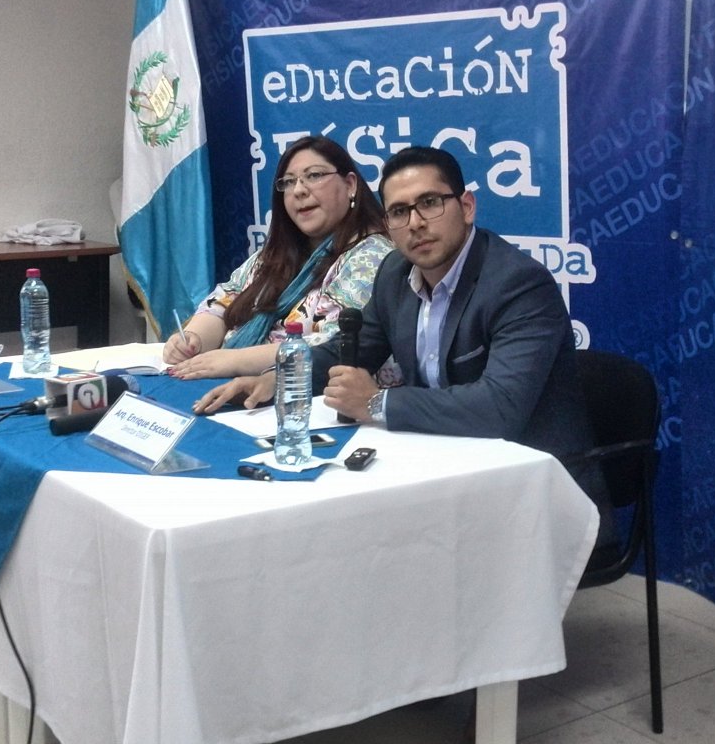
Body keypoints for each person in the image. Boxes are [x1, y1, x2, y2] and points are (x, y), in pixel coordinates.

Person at [195, 145, 614, 547]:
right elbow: (352, 349)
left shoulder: (517, 285)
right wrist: (282, 378)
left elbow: (500, 409)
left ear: (467, 207)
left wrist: (377, 403)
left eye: (430, 203)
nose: (415, 223)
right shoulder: (395, 273)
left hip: (531, 489)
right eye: (399, 212)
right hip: (442, 466)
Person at [163, 135, 393, 379]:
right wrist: (194, 340)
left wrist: (235, 361)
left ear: (350, 185)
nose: (299, 190)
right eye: (289, 182)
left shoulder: (373, 257)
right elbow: (223, 303)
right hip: (237, 382)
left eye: (314, 176)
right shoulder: (275, 255)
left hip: (311, 392)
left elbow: (338, 345)